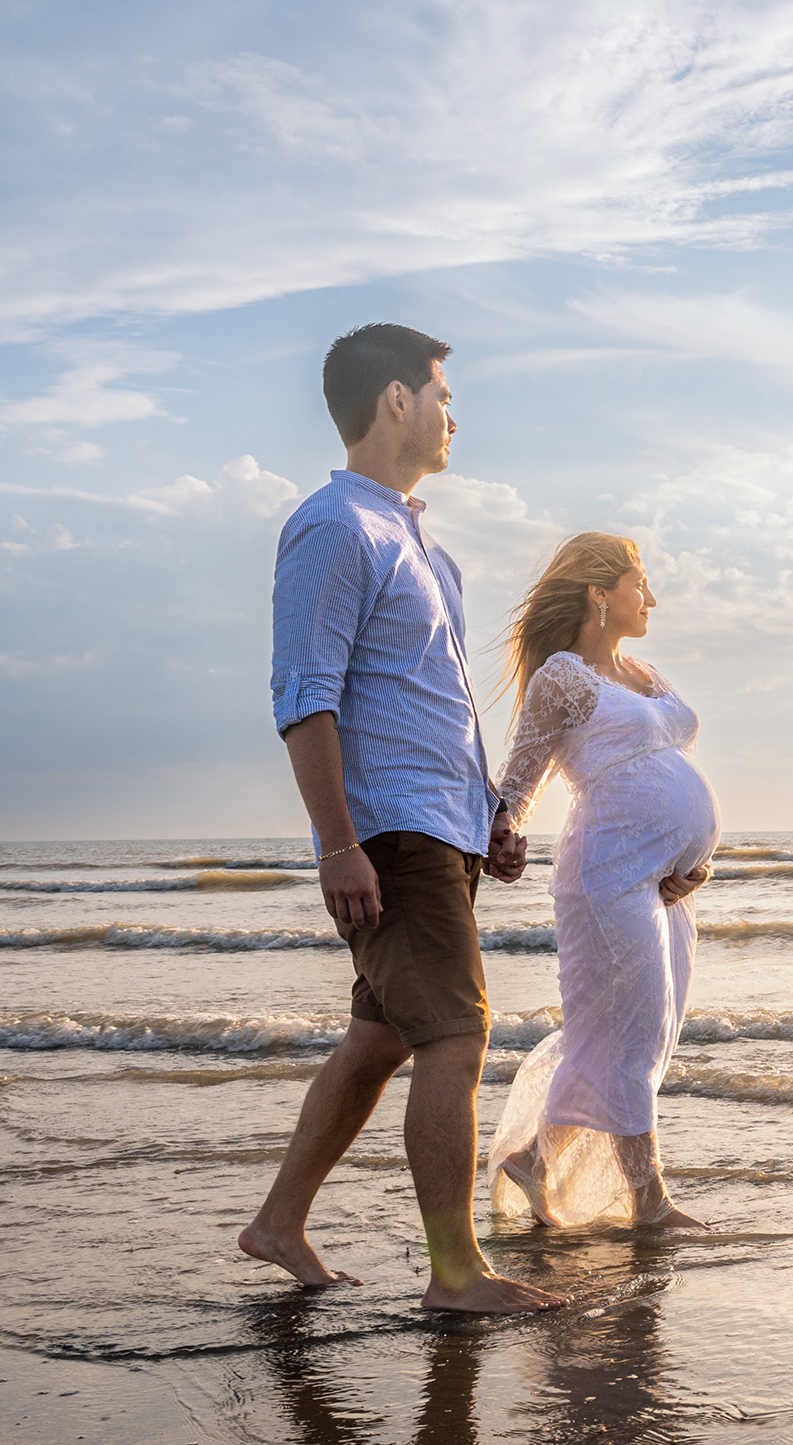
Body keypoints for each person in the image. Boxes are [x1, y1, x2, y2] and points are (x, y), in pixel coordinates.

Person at [239, 322, 566, 1314]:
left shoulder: (421, 543)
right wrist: (339, 843)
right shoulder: (335, 526)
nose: (452, 416)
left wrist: (490, 817)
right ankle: (455, 1274)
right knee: (457, 1039)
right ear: (395, 401)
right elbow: (305, 694)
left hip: (439, 827)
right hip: (391, 836)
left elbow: (431, 705)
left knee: (381, 1040)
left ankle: (278, 1223)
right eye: (442, 395)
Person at [484, 533, 717, 1228]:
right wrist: (504, 834)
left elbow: (672, 778)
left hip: (666, 887)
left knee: (639, 1026)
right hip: (606, 873)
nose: (651, 598)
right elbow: (519, 785)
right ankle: (649, 1200)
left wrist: (694, 861)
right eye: (639, 583)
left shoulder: (647, 674)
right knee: (634, 1026)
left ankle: (534, 1161)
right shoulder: (562, 675)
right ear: (599, 591)